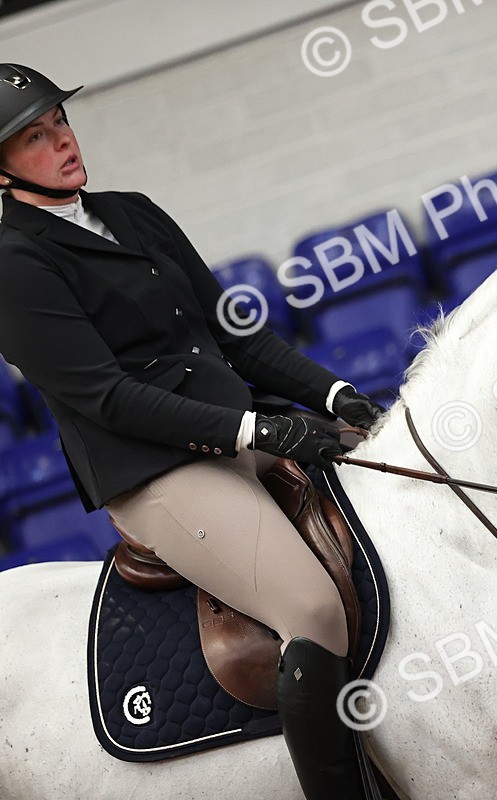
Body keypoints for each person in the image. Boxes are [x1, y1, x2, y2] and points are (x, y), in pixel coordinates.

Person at [0, 64, 382, 800]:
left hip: (233, 431)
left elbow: (236, 336)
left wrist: (339, 396)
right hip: (156, 472)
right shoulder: (15, 265)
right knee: (311, 609)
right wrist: (257, 430)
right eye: (35, 138)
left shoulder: (133, 212)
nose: (63, 143)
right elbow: (108, 398)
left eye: (60, 123)